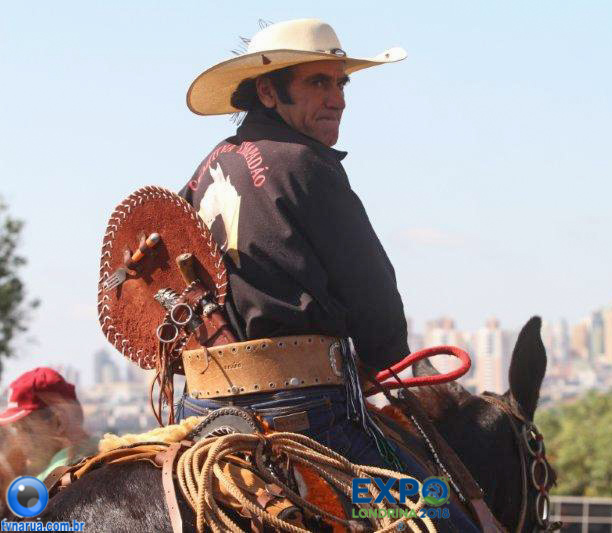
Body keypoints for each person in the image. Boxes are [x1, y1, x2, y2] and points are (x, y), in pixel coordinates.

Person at [177, 19, 479, 531]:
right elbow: (374, 297)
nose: (337, 98)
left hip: (201, 413)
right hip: (311, 415)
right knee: (437, 512)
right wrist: (383, 357)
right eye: (318, 82)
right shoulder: (305, 164)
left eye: (341, 83)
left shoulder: (203, 170)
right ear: (269, 90)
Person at [0, 367, 92, 482]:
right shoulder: (96, 458)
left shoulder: (51, 484)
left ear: (58, 422)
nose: (20, 439)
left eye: (26, 428)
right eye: (15, 429)